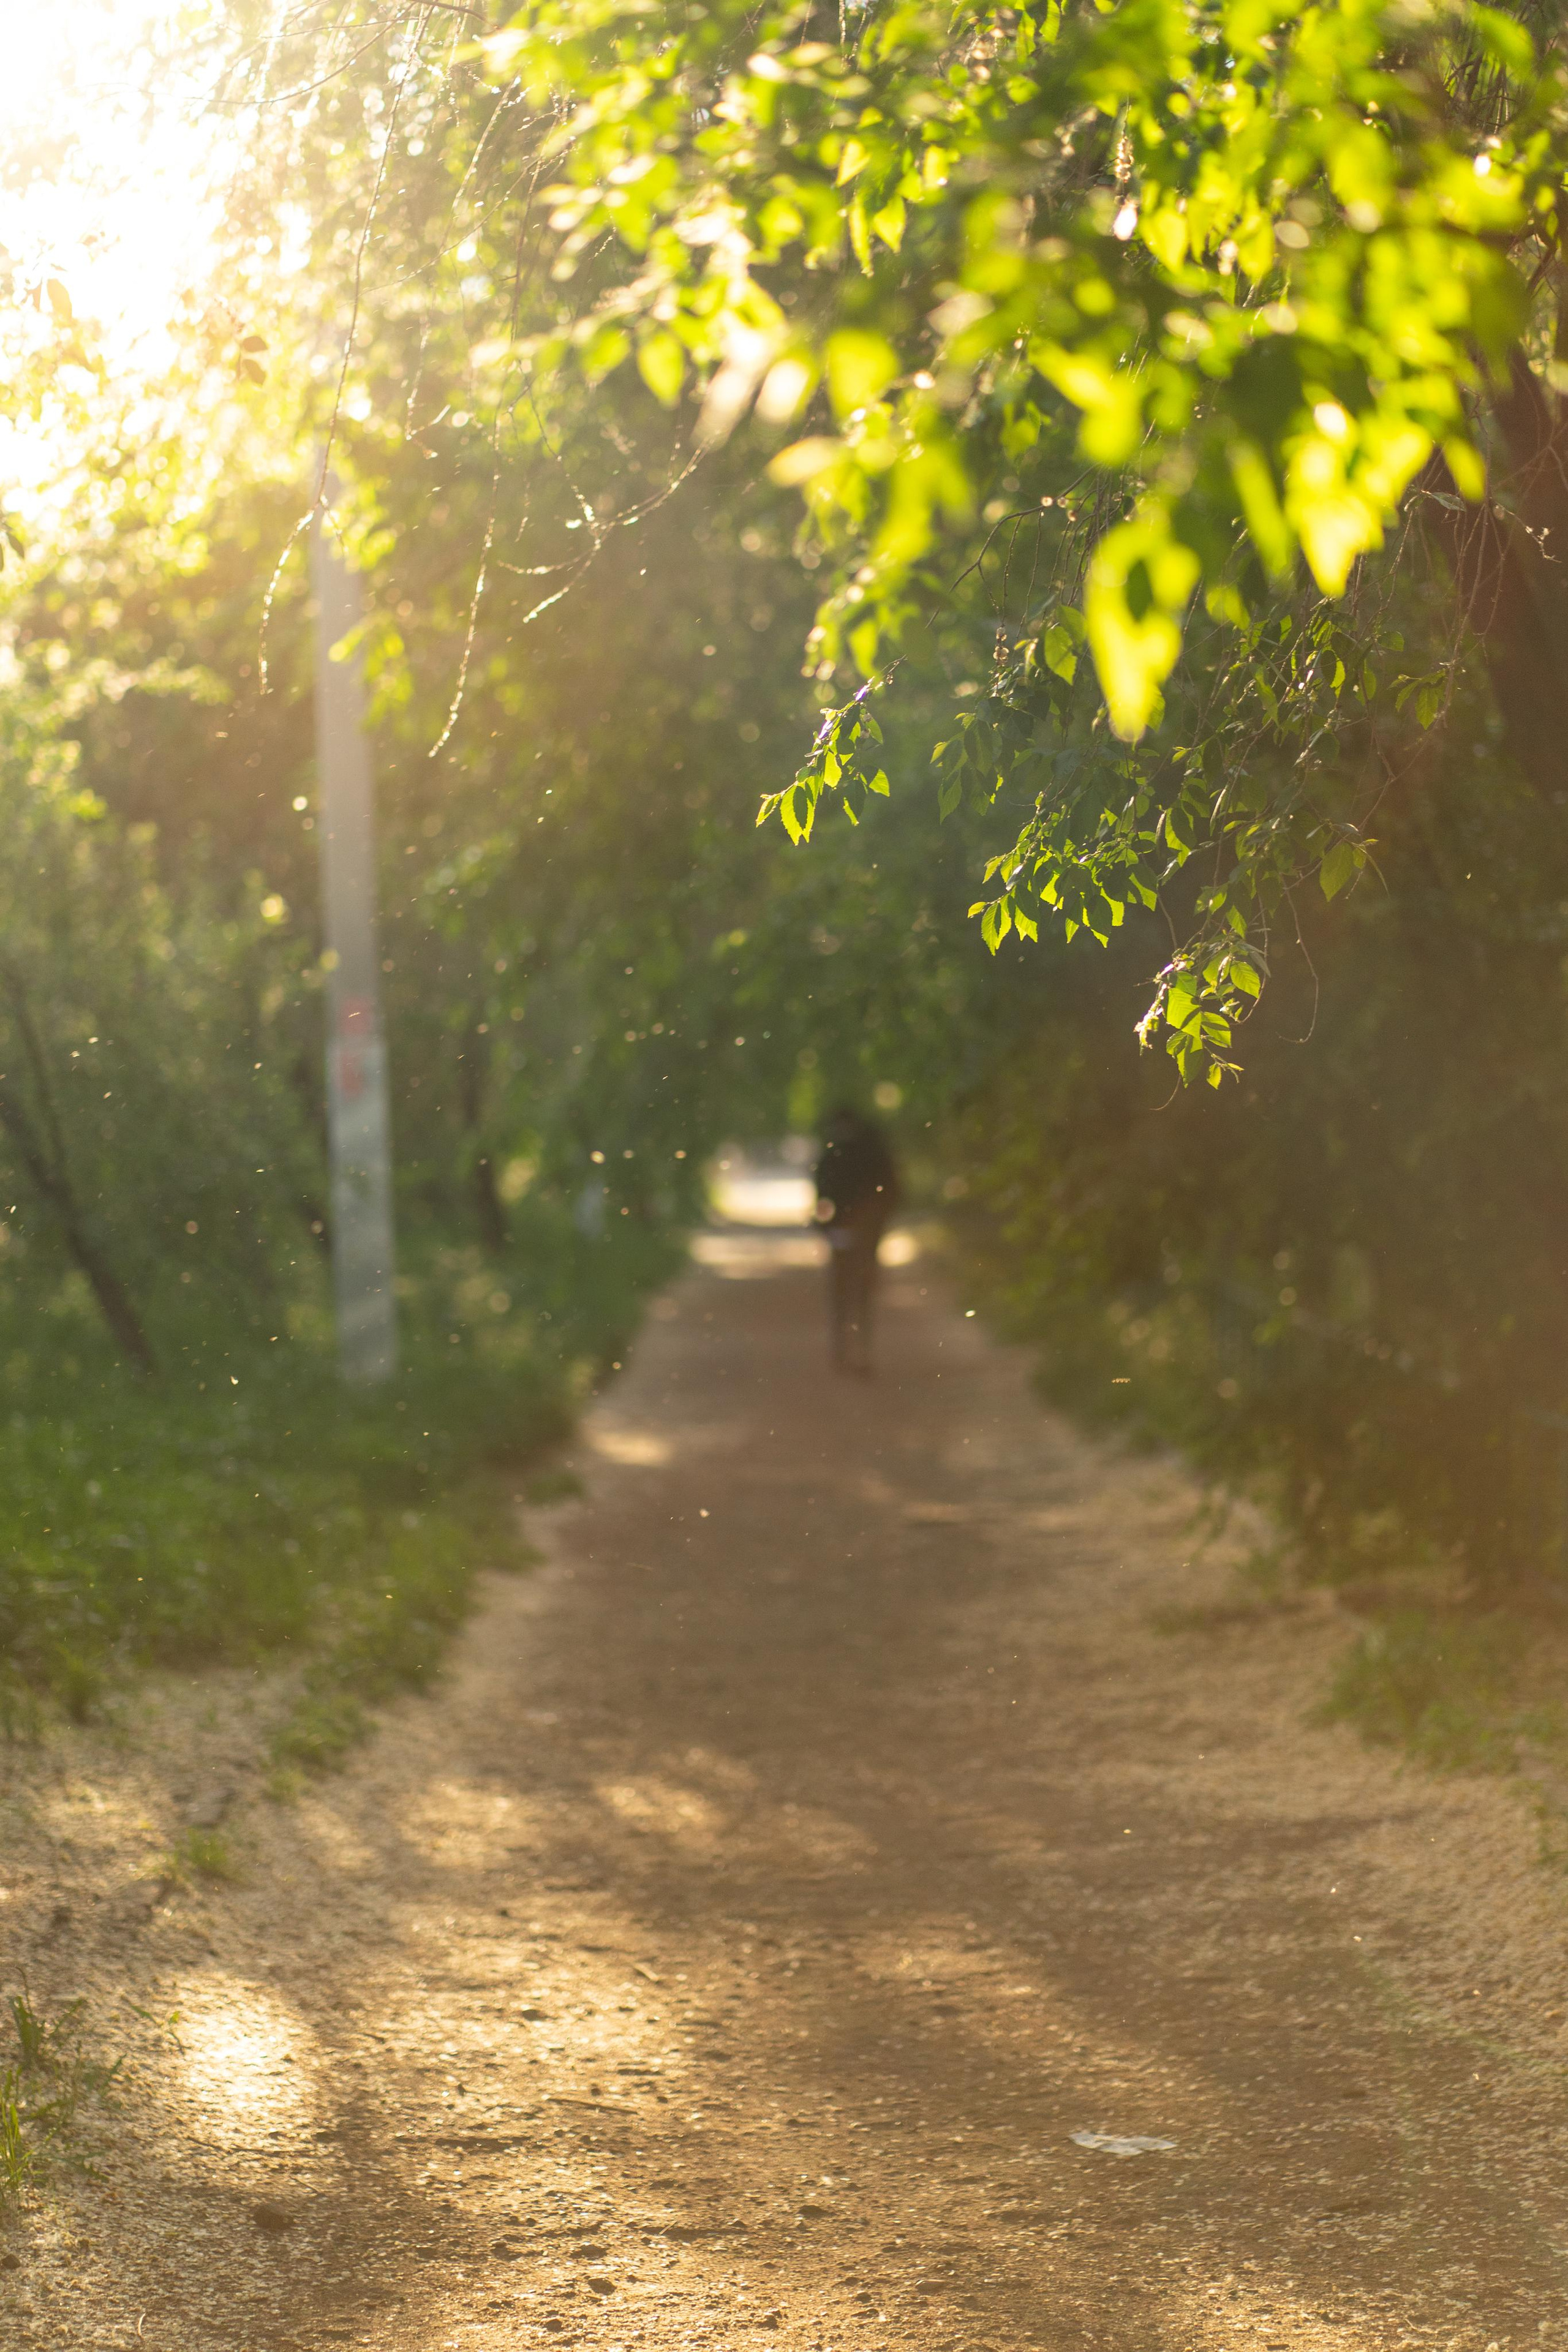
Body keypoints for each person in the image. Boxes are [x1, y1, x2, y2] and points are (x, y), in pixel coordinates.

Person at [813, 1106, 900, 1374]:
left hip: (853, 1230)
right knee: (858, 1291)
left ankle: (849, 1352)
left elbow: (823, 1194)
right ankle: (855, 1352)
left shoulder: (837, 1153)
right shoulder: (870, 1151)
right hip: (858, 1230)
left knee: (847, 1291)